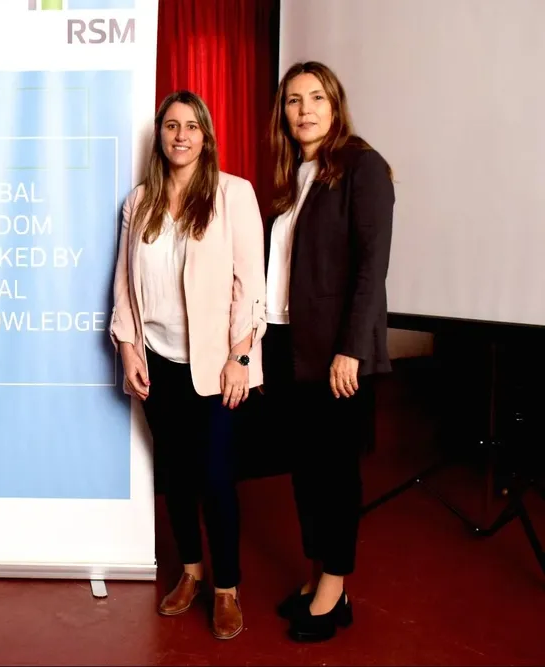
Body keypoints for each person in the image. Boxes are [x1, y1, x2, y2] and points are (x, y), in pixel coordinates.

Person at [109, 90, 267, 640]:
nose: (181, 135)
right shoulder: (139, 202)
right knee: (174, 475)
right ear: (161, 135)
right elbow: (125, 284)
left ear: (207, 137)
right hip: (159, 364)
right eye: (172, 125)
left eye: (192, 126)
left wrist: (240, 356)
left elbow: (250, 284)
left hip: (216, 364)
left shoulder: (233, 194)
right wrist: (128, 347)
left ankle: (227, 587)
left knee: (217, 478)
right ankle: (192, 573)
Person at [263, 61, 395, 643]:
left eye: (316, 98)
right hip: (289, 345)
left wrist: (351, 350)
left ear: (335, 105)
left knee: (336, 474)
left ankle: (335, 583)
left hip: (337, 354)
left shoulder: (363, 167)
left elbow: (372, 267)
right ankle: (322, 574)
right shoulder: (295, 175)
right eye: (293, 101)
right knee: (306, 473)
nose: (305, 110)